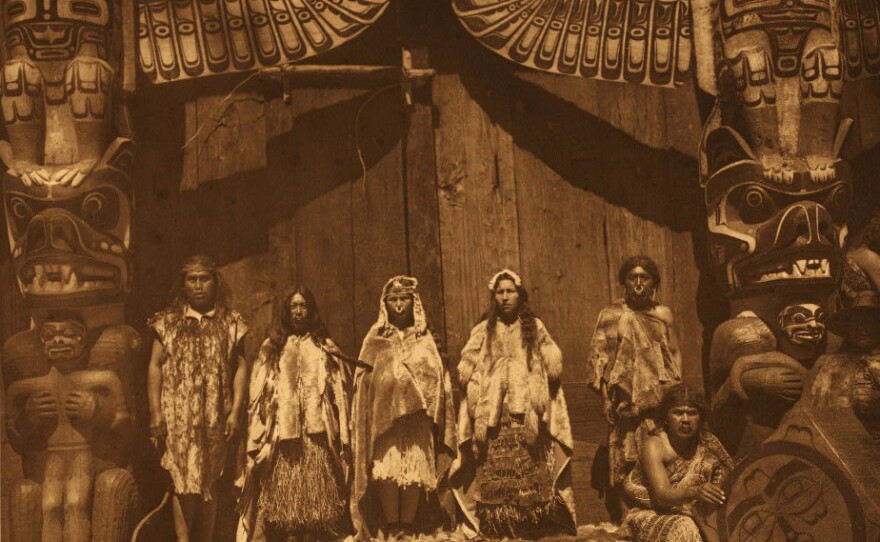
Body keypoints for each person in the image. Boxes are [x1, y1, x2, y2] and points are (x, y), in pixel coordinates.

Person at [453, 269, 577, 537]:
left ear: (520, 295)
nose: (505, 297)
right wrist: (471, 375)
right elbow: (467, 362)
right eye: (500, 292)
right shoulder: (483, 330)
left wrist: (549, 367)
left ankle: (527, 525)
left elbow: (552, 359)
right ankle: (499, 526)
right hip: (494, 412)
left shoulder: (535, 327)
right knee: (495, 468)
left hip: (526, 410)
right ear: (494, 296)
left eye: (511, 291)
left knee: (527, 467)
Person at [147, 255, 249, 542]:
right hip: (177, 416)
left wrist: (235, 413)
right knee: (181, 480)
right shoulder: (167, 322)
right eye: (192, 280)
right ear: (184, 285)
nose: (199, 286)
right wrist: (155, 412)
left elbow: (241, 366)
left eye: (205, 279)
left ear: (215, 282)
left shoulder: (231, 322)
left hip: (214, 414)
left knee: (209, 479)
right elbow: (154, 366)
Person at [237, 286, 351, 541]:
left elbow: (338, 386)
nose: (298, 312)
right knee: (286, 497)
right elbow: (258, 390)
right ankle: (289, 532)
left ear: (310, 311)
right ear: (286, 312)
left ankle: (310, 532)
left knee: (313, 496)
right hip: (283, 435)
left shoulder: (323, 345)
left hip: (315, 434)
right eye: (293, 307)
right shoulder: (273, 347)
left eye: (303, 306)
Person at [350, 276, 457, 539]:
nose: (399, 305)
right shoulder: (375, 338)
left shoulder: (424, 338)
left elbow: (436, 376)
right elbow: (362, 380)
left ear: (414, 302)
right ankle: (391, 522)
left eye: (404, 299)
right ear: (385, 304)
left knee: (413, 467)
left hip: (416, 418)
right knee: (388, 467)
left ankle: (407, 525)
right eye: (393, 300)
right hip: (385, 419)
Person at [587, 256, 683, 492]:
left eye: (645, 277)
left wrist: (677, 392)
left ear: (654, 283)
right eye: (633, 277)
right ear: (624, 282)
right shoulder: (610, 315)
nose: (639, 283)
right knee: (624, 450)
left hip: (658, 396)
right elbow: (598, 360)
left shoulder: (663, 314)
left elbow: (674, 352)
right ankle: (627, 510)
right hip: (624, 399)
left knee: (659, 444)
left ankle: (658, 500)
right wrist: (606, 399)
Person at [623, 384, 733, 542]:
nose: (686, 420)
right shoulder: (655, 445)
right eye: (678, 413)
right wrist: (695, 491)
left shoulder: (709, 443)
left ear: (700, 417)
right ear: (666, 418)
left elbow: (732, 475)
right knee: (685, 526)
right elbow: (662, 496)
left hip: (696, 512)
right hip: (650, 512)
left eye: (692, 413)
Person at [808, 290, 880, 441]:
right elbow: (806, 410)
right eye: (856, 323)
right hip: (830, 444)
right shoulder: (828, 364)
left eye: (869, 323)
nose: (862, 329)